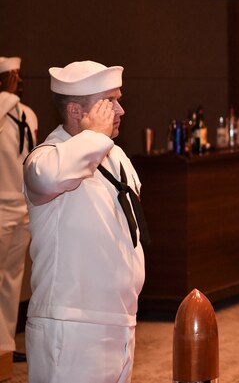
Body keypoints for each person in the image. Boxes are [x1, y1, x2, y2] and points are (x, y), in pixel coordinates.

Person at [23, 60, 148, 383]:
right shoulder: (47, 157)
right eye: (110, 102)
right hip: (72, 327)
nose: (120, 111)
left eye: (120, 100)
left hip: (120, 321)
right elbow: (50, 176)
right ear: (76, 111)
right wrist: (95, 137)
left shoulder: (116, 156)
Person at [0, 56, 37, 363]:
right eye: (13, 76)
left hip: (21, 211)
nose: (19, 81)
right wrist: (6, 95)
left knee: (12, 281)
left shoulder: (28, 114)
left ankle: (6, 346)